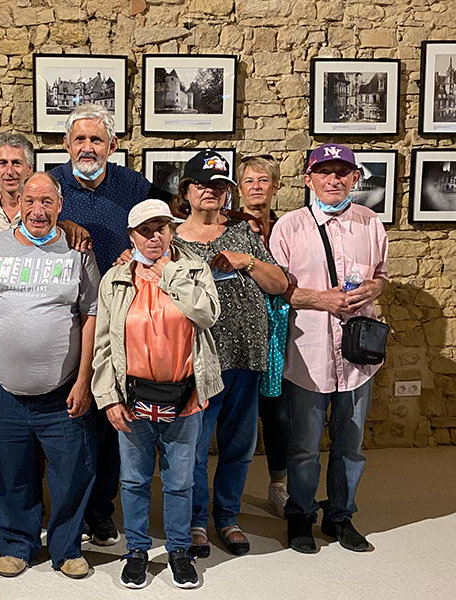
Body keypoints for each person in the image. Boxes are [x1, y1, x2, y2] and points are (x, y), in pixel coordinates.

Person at [0, 172, 99, 580]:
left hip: (62, 390)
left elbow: (91, 314)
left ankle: (66, 547)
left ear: (60, 206)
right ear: (18, 204)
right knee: (10, 472)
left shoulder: (78, 251)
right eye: (30, 201)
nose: (38, 210)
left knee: (71, 471)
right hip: (6, 390)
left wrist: (84, 379)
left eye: (47, 202)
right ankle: (16, 543)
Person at [50, 103, 170, 546]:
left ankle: (101, 510)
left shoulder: (133, 185)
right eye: (79, 139)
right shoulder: (51, 184)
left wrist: (135, 254)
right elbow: (27, 221)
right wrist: (61, 220)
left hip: (119, 316)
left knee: (110, 417)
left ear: (112, 145)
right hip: (64, 317)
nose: (87, 147)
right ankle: (69, 511)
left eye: (96, 139)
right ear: (66, 144)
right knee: (69, 419)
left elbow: (161, 231)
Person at [93, 200, 223, 589]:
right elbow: (103, 343)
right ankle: (136, 550)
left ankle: (179, 550)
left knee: (180, 480)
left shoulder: (194, 269)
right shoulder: (115, 279)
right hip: (132, 397)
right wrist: (109, 397)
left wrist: (170, 273)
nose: (154, 237)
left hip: (184, 396)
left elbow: (207, 314)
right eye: (145, 231)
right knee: (133, 480)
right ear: (131, 236)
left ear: (171, 230)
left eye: (161, 228)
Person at [270, 143, 388, 554]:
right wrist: (322, 300)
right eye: (324, 172)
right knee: (304, 446)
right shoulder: (289, 227)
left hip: (358, 357)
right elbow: (278, 290)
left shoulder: (370, 223)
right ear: (309, 179)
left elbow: (381, 275)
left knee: (350, 444)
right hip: (309, 354)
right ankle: (300, 515)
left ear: (355, 178)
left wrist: (374, 287)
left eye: (342, 172)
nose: (333, 180)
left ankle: (340, 516)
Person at [173, 150, 288, 557]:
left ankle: (227, 516)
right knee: (194, 445)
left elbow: (279, 283)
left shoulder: (242, 232)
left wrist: (248, 260)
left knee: (238, 444)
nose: (211, 191)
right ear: (186, 190)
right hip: (197, 358)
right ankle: (195, 520)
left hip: (246, 354)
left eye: (219, 185)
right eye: (202, 184)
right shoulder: (171, 238)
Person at [234, 155, 290, 518]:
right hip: (238, 328)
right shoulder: (229, 226)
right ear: (239, 188)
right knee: (233, 414)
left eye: (263, 180)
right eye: (249, 180)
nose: (256, 187)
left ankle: (278, 484)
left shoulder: (287, 228)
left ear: (275, 186)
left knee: (278, 412)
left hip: (280, 327)